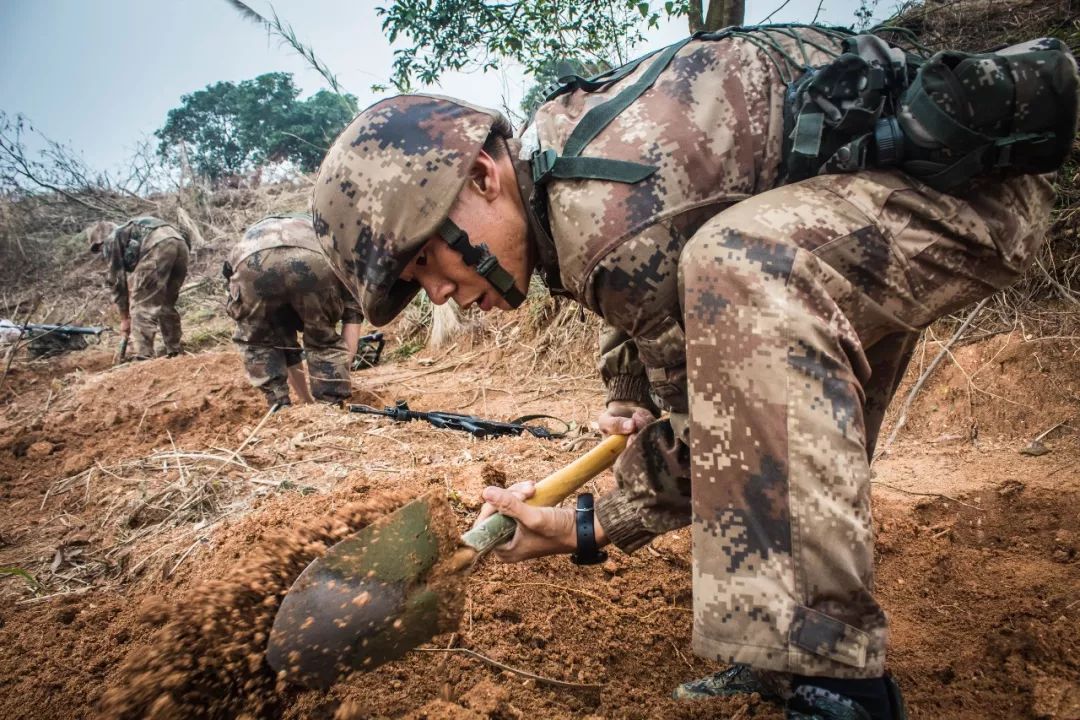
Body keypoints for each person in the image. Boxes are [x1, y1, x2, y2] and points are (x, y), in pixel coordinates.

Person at [310, 25, 1073, 719]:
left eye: (426, 260)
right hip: (872, 205)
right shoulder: (561, 169)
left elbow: (705, 443)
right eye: (415, 284)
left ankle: (836, 690)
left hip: (971, 193)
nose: (438, 291)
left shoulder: (608, 213)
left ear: (481, 176)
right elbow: (638, 299)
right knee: (764, 368)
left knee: (744, 272)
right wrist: (628, 396)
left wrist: (586, 525)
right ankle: (778, 655)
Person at [224, 213, 364, 408]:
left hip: (251, 261)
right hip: (313, 258)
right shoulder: (324, 236)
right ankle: (329, 408)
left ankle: (279, 406)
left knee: (260, 342)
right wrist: (337, 371)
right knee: (322, 340)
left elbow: (229, 273)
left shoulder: (255, 234)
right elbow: (352, 318)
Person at [87, 217, 189, 359]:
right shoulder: (130, 232)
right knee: (166, 303)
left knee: (141, 305)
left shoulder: (111, 240)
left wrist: (124, 318)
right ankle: (175, 350)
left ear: (100, 241)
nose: (102, 253)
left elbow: (117, 281)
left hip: (156, 245)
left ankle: (144, 356)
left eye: (99, 249)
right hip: (180, 243)